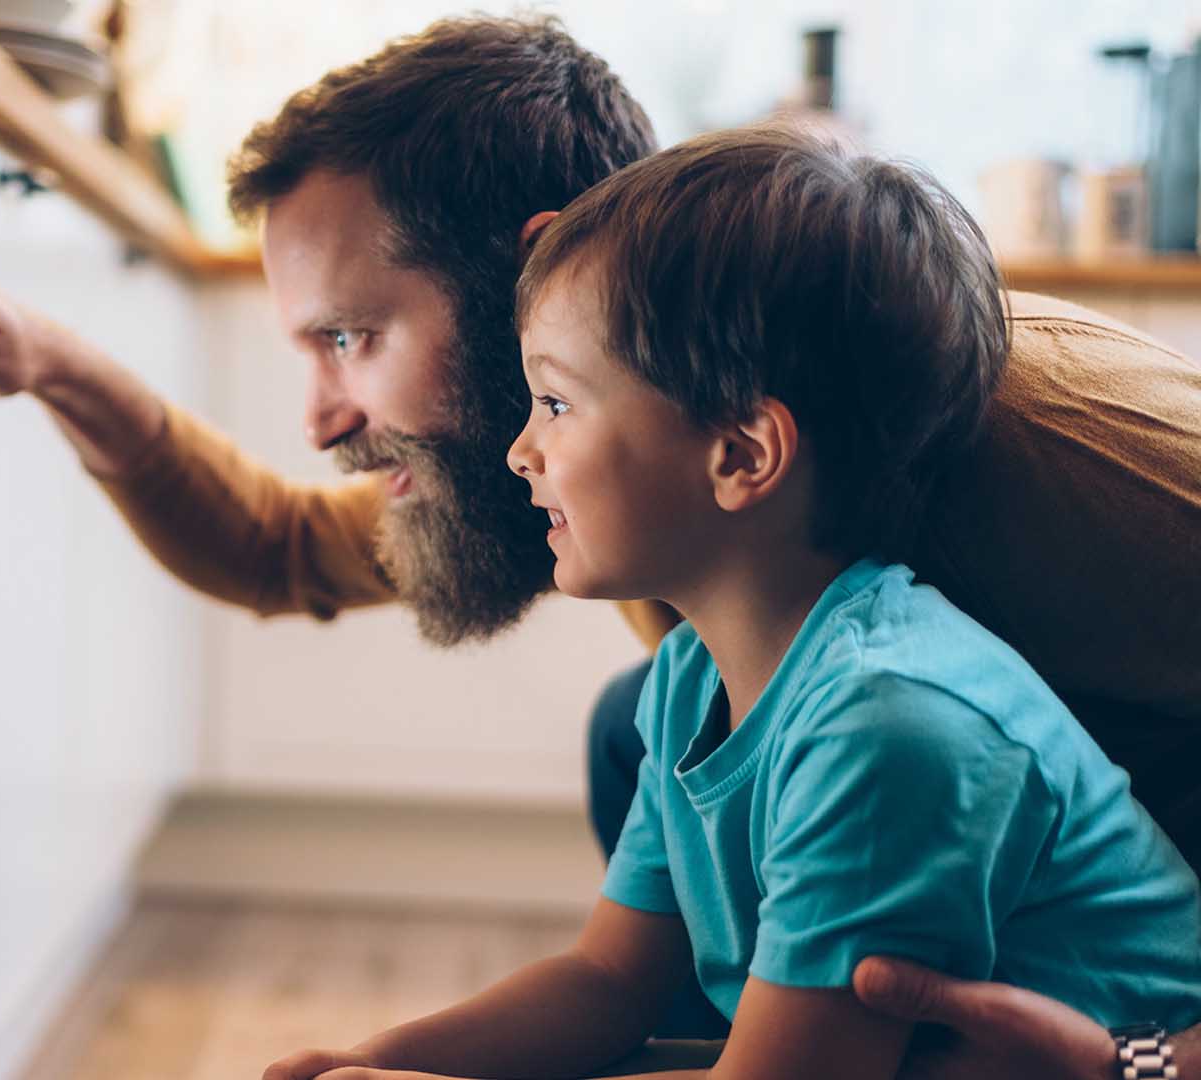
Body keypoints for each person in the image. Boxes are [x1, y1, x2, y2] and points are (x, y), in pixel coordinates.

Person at [0, 15, 1201, 1076]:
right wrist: (46, 363)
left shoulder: (1039, 447)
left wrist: (1147, 1063)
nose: (326, 412)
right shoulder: (617, 465)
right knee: (646, 726)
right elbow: (274, 548)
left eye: (352, 337)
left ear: (530, 271)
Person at [262, 123, 1201, 1080]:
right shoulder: (690, 677)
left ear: (743, 456)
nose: (521, 452)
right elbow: (605, 981)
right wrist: (371, 1058)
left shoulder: (889, 726)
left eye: (556, 404)